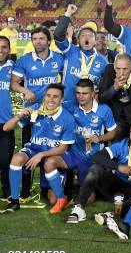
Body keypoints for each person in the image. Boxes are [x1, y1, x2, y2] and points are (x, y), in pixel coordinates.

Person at [1, 84, 76, 214]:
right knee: (17, 158)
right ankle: (14, 202)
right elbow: (6, 128)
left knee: (52, 197)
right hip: (35, 150)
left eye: (55, 97)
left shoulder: (67, 118)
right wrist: (20, 115)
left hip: (55, 154)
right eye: (48, 96)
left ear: (62, 100)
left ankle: (61, 199)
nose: (51, 100)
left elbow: (63, 149)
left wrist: (41, 155)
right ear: (44, 97)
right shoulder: (35, 109)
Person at [67, 123, 131, 224]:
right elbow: (97, 156)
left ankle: (111, 214)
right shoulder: (123, 145)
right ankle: (79, 209)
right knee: (95, 168)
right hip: (115, 185)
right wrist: (118, 167)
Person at [10, 26, 64, 197]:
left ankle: (45, 188)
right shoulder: (25, 60)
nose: (38, 42)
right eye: (35, 39)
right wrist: (26, 91)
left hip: (53, 112)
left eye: (41, 38)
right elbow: (14, 83)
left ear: (49, 41)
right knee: (29, 148)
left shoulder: (59, 59)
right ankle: (25, 189)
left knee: (49, 148)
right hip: (31, 113)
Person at [54, 4, 108, 108]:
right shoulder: (70, 50)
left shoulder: (102, 61)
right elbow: (58, 35)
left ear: (95, 40)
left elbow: (105, 85)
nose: (86, 38)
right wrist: (68, 13)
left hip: (89, 107)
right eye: (83, 35)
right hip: (67, 104)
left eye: (90, 36)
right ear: (78, 40)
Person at [0, 36, 14, 198]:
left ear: (9, 50)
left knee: (5, 159)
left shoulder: (13, 68)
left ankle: (7, 189)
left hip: (6, 122)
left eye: (4, 47)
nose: (1, 50)